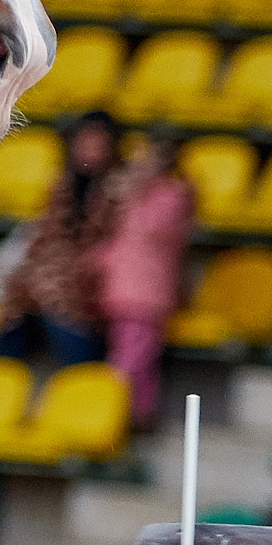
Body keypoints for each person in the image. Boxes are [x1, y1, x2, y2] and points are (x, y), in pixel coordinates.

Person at [0, 113, 123, 370]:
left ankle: (84, 383)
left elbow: (108, 245)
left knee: (65, 319)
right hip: (43, 282)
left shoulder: (116, 191)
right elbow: (44, 236)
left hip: (86, 286)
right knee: (14, 321)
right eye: (85, 140)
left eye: (98, 142)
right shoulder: (61, 186)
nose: (90, 149)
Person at [96, 134, 195, 422]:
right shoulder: (124, 195)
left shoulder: (172, 196)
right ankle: (131, 415)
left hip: (146, 294)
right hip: (118, 289)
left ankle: (128, 416)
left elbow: (157, 232)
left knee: (131, 362)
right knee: (131, 357)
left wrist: (136, 192)